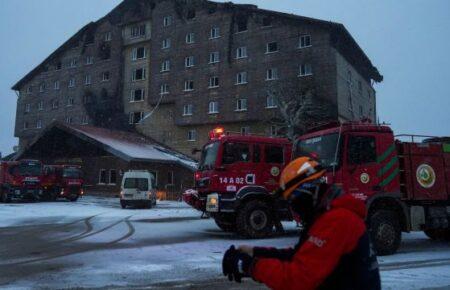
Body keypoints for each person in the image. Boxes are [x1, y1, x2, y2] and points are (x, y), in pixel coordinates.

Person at [222, 157, 381, 290]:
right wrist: (255, 252)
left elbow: (299, 279)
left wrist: (251, 266)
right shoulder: (326, 217)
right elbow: (299, 255)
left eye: (293, 199)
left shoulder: (337, 221)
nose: (293, 206)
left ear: (309, 191)